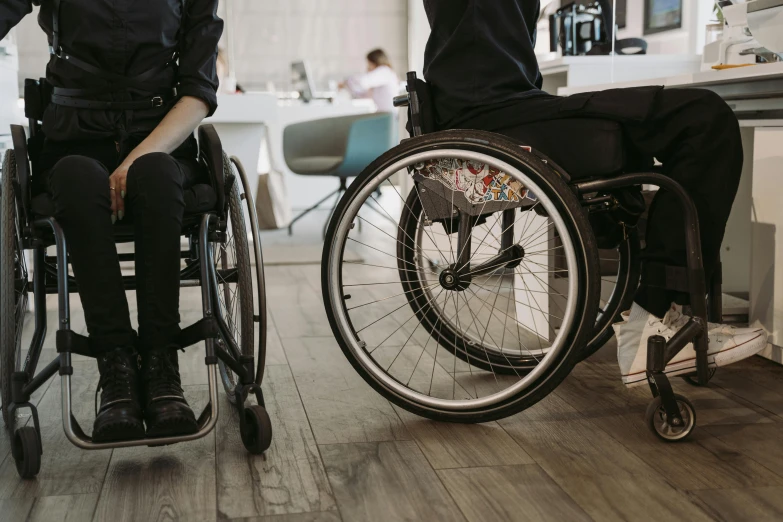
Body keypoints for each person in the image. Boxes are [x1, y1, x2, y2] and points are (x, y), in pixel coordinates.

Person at [421, 0, 767, 386]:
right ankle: (655, 319)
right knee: (704, 119)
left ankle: (663, 314)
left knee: (701, 116)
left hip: (497, 104)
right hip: (495, 111)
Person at [0, 0, 223, 441]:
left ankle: (162, 364)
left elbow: (198, 92)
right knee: (77, 177)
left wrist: (132, 163)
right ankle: (115, 365)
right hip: (72, 138)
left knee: (156, 175)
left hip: (159, 138)